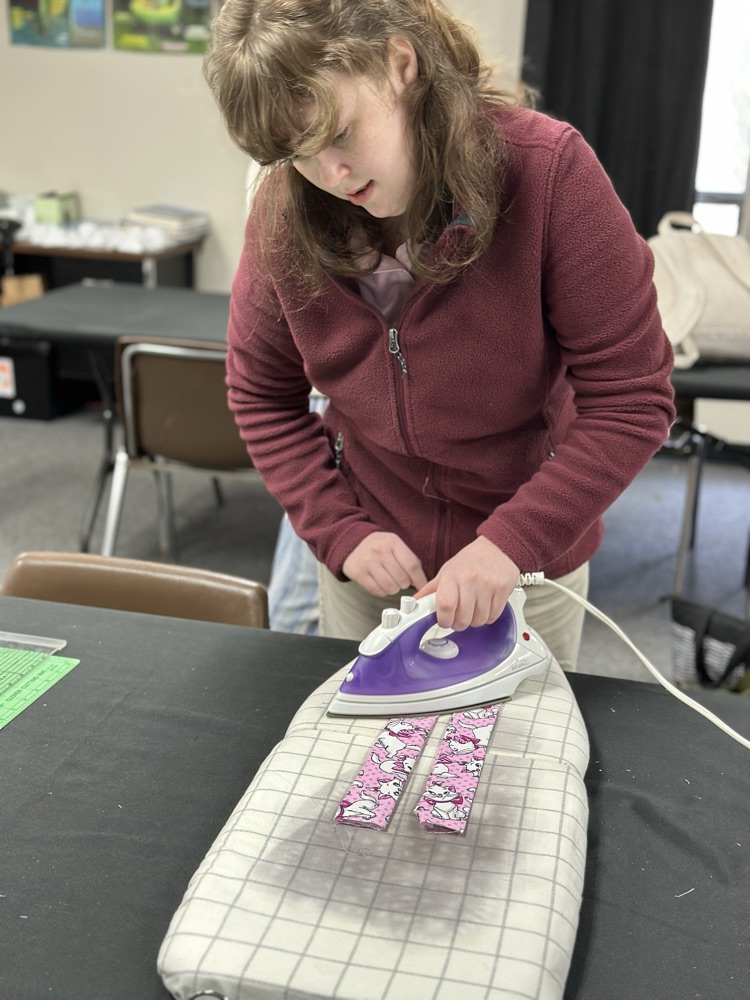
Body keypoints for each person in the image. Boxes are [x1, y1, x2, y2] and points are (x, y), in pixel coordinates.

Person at [204, 0, 675, 670]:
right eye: (298, 155)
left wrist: (511, 542)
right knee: (365, 766)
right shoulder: (284, 212)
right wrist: (338, 530)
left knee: (510, 763)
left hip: (525, 570)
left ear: (401, 64)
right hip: (372, 567)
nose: (330, 177)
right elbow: (260, 398)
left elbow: (632, 400)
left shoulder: (549, 176)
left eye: (340, 135)